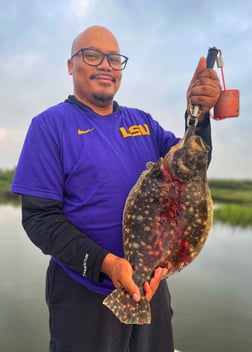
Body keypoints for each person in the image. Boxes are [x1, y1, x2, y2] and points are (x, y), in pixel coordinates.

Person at [11, 25, 221, 352]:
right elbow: (40, 220)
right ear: (71, 65)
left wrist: (200, 114)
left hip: (152, 285)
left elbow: (192, 165)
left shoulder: (144, 123)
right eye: (92, 55)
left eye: (114, 59)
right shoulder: (50, 126)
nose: (106, 66)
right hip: (83, 294)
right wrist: (106, 263)